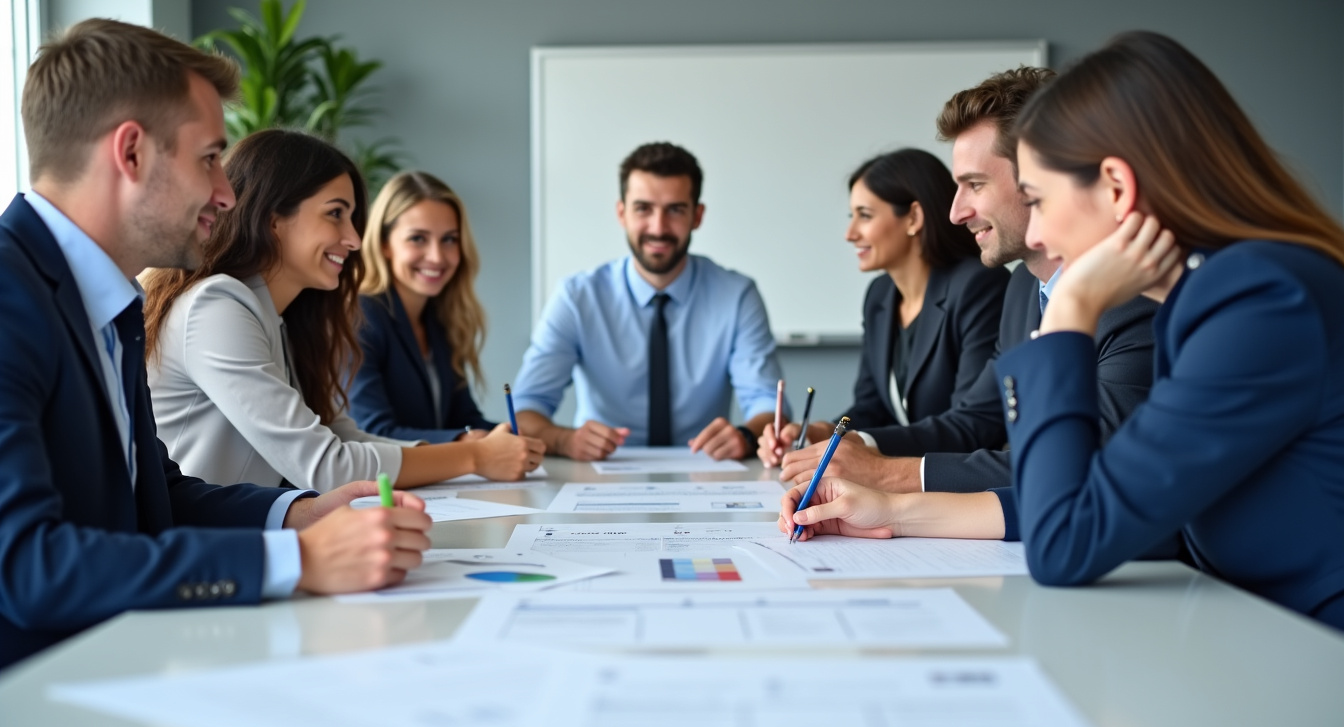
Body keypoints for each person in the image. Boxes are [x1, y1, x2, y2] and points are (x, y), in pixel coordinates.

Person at [780, 31, 1344, 630]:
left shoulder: (1257, 301)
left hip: (1305, 645)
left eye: (1038, 199)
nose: (1040, 236)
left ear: (1118, 189)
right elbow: (1100, 498)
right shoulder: (1212, 294)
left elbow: (1065, 540)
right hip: (1238, 623)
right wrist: (893, 510)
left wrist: (1071, 309)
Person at [0, 19, 432, 669]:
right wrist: (297, 560)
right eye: (209, 159)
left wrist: (299, 515)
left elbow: (157, 498)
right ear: (132, 153)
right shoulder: (10, 298)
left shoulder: (106, 302)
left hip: (119, 666)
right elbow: (27, 566)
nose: (227, 195)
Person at [772, 67, 1158, 495]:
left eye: (975, 184)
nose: (955, 213)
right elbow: (979, 418)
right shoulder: (1022, 289)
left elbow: (1085, 465)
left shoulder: (1136, 298)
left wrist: (885, 476)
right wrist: (858, 446)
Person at [144, 130, 543, 491]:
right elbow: (327, 466)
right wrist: (472, 457)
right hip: (200, 552)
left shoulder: (282, 318)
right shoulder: (218, 307)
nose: (353, 239)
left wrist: (464, 451)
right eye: (336, 214)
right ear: (273, 219)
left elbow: (341, 436)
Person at [512, 142, 786, 461]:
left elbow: (768, 406)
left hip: (706, 471)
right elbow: (524, 409)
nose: (658, 228)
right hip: (600, 477)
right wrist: (564, 440)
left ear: (697, 215)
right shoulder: (577, 297)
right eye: (643, 208)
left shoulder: (737, 295)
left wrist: (746, 436)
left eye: (675, 209)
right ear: (621, 213)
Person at [758, 149, 1008, 462]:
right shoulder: (880, 296)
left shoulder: (977, 286)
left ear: (914, 218)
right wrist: (823, 431)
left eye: (865, 215)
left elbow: (971, 427)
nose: (850, 234)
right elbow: (869, 408)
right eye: (852, 217)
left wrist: (859, 442)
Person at [350, 171, 495, 443]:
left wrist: (513, 435)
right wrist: (467, 445)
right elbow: (373, 434)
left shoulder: (443, 317)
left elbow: (464, 420)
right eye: (418, 238)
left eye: (449, 239)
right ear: (384, 244)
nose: (437, 256)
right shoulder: (361, 317)